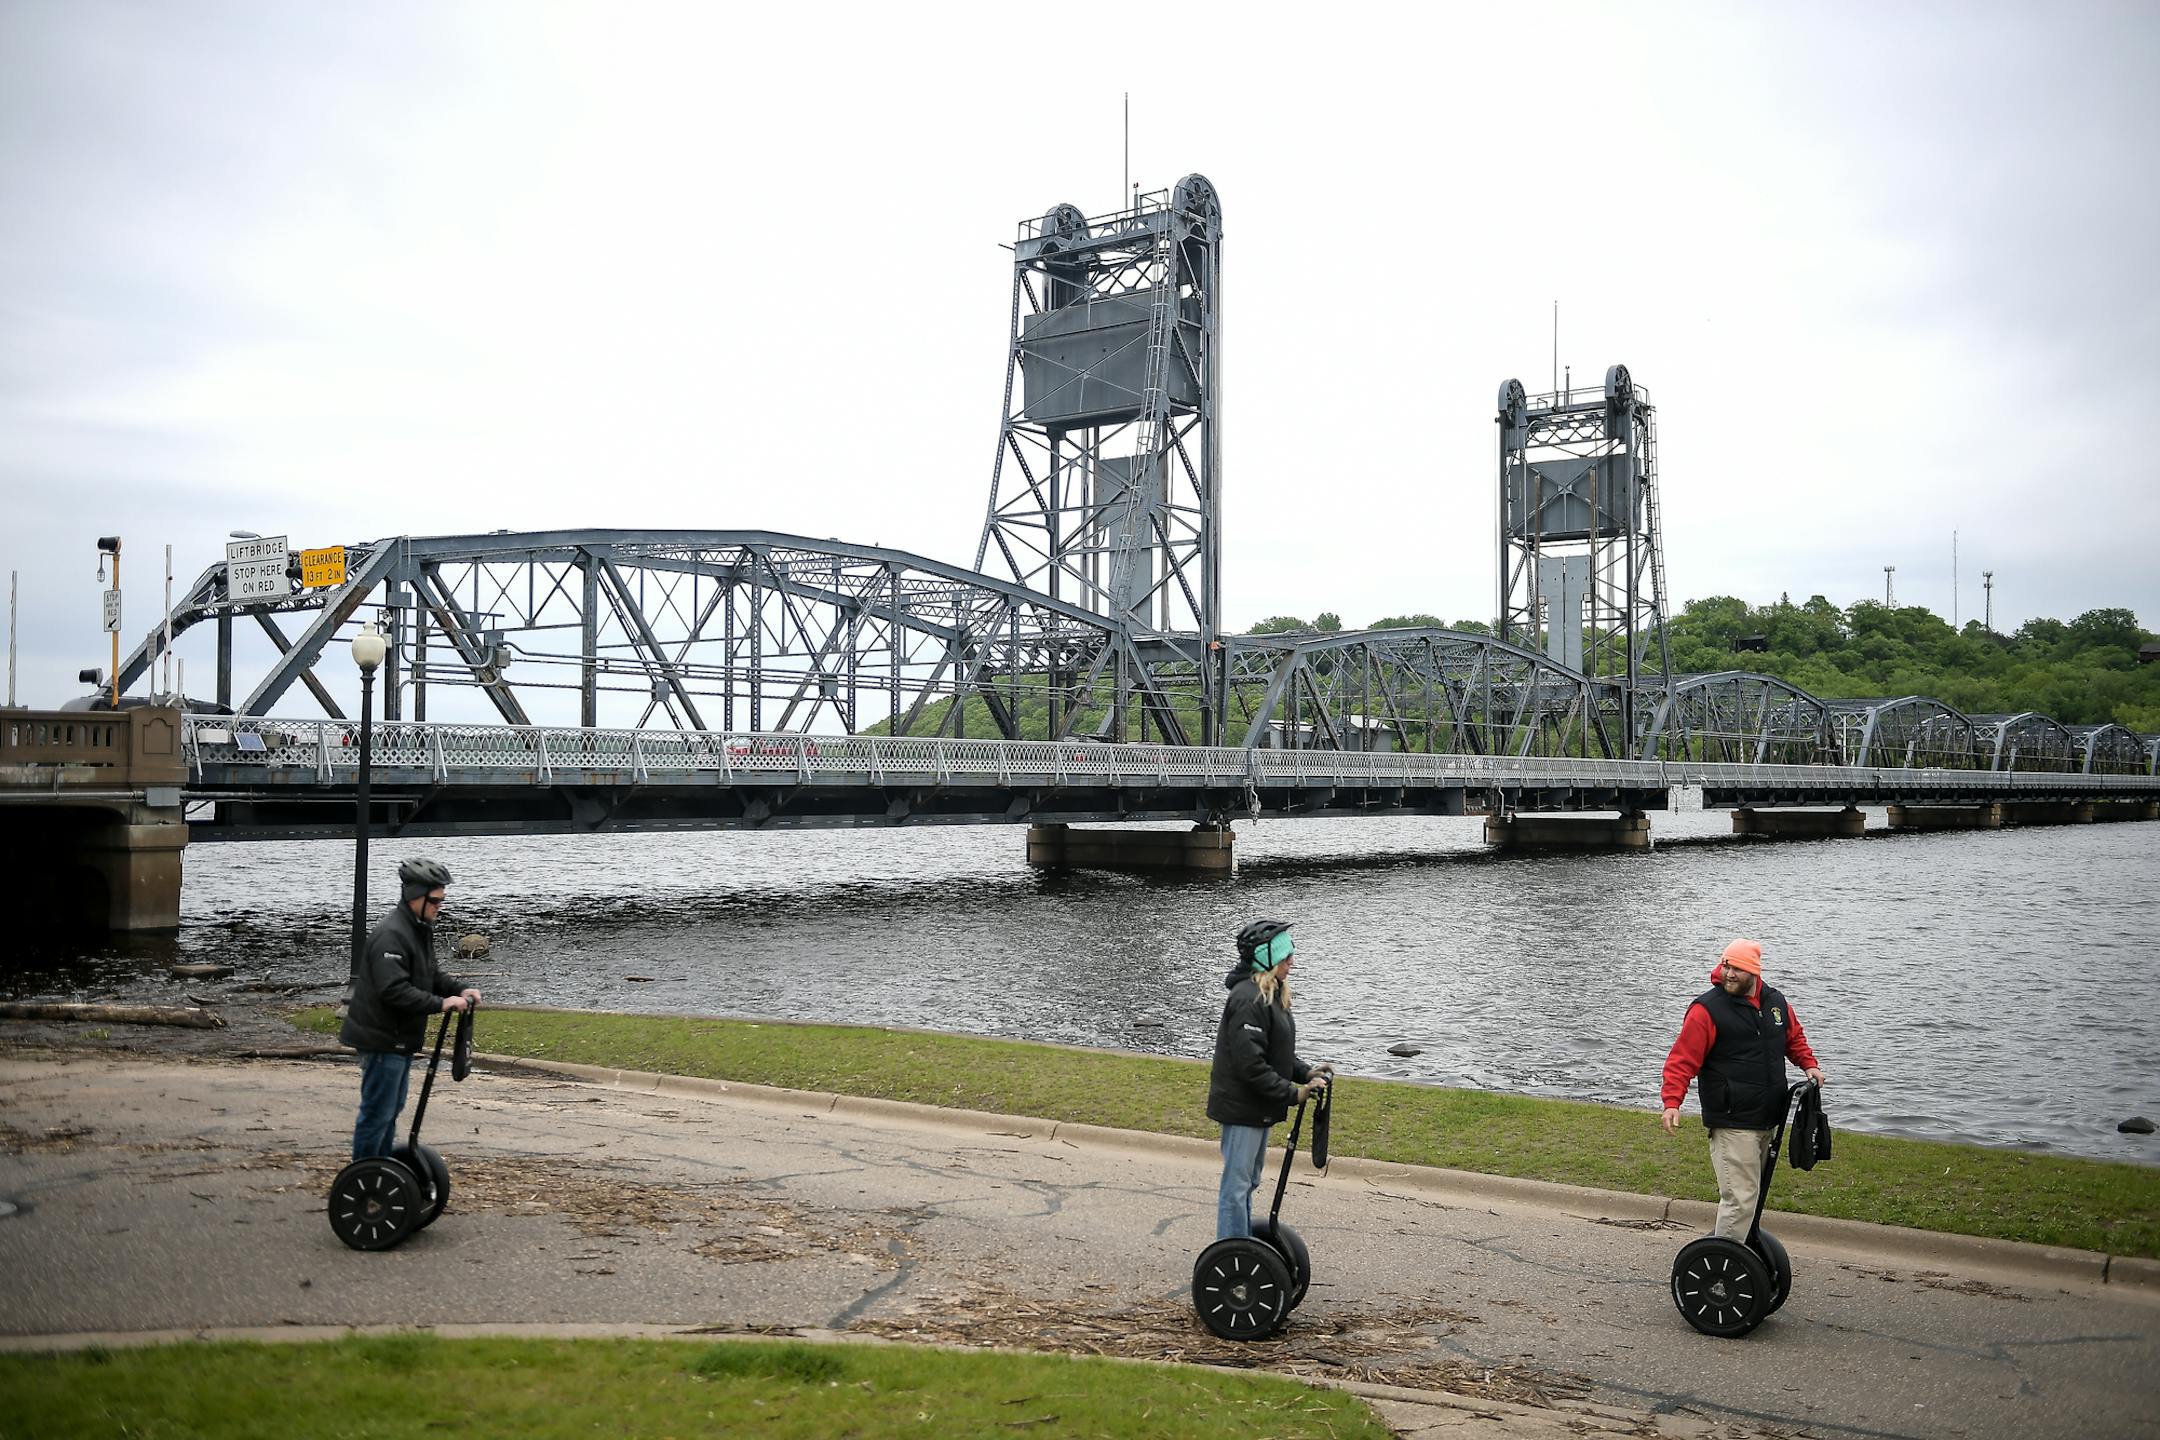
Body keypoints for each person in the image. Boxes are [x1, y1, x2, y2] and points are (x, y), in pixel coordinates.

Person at [1660, 939, 1827, 1240]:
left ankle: (1739, 1256)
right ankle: (1723, 1269)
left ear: (1754, 972)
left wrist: (1808, 1064)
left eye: (1737, 968)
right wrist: (1672, 1101)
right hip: (1732, 1120)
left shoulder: (1775, 1003)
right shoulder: (1707, 1010)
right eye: (1726, 965)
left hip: (1768, 1117)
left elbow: (1792, 1038)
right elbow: (1682, 1060)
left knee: (1752, 1197)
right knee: (1739, 1200)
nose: (1729, 973)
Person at [341, 857, 480, 1161]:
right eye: (436, 900)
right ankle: (365, 1174)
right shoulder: (392, 935)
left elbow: (430, 974)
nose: (440, 906)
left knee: (392, 1109)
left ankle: (381, 1170)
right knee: (378, 1113)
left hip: (399, 1038)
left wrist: (458, 989)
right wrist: (440, 1003)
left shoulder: (418, 928)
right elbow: (394, 991)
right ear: (415, 895)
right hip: (382, 1038)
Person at [1206, 919, 1330, 1240]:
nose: (1292, 962)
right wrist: (1294, 1093)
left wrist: (1306, 1073)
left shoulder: (1270, 994)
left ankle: (1241, 1247)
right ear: (1265, 957)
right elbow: (1253, 1067)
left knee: (1248, 1182)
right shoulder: (1248, 998)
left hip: (1257, 1107)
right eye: (1285, 956)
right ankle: (1231, 1254)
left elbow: (1276, 1053)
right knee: (1236, 1187)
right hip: (1242, 1108)